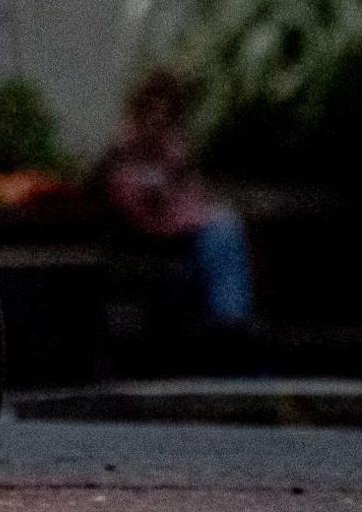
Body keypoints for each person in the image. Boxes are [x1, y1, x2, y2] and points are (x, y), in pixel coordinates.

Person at [94, 69, 257, 336]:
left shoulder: (174, 154)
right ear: (140, 112)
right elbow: (145, 217)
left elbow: (195, 198)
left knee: (224, 230)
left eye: (167, 114)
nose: (158, 121)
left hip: (184, 246)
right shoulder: (122, 158)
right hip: (151, 248)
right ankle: (230, 330)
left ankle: (232, 328)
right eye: (152, 111)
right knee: (222, 231)